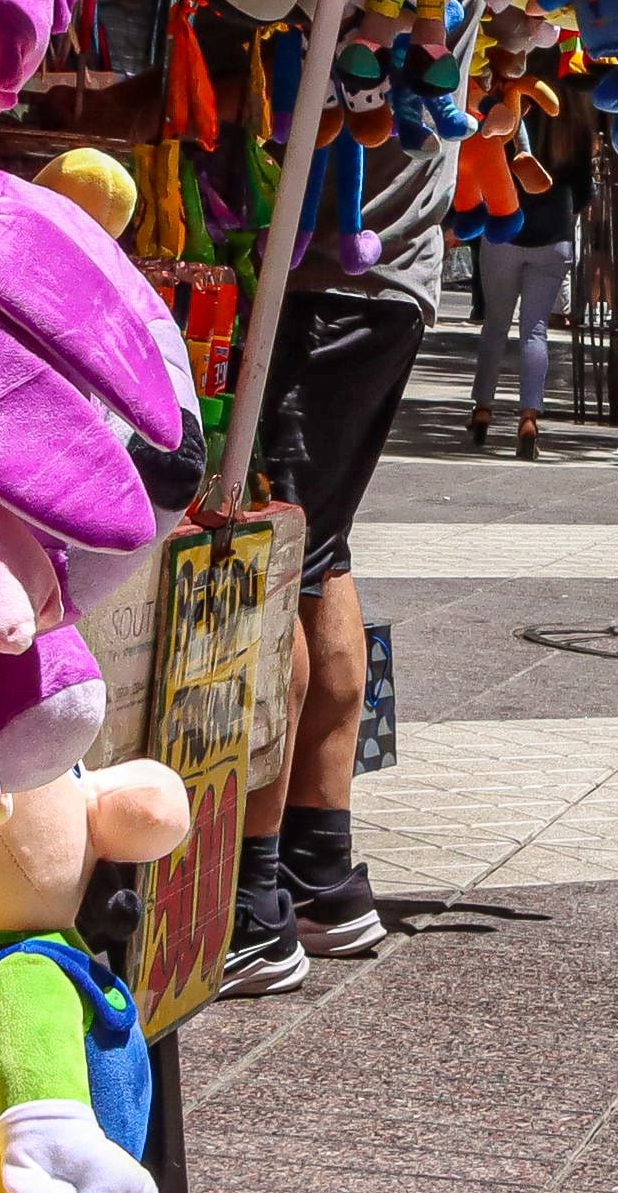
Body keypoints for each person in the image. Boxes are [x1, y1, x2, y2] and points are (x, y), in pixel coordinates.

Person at [226, 130, 449, 990]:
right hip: (385, 279)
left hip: (332, 279)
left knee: (279, 549)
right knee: (320, 550)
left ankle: (255, 898)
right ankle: (320, 870)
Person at [469, 127, 578, 458]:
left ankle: (483, 409)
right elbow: (584, 191)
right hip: (554, 236)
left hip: (504, 228)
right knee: (535, 331)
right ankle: (529, 418)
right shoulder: (571, 125)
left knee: (496, 326)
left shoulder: (503, 119)